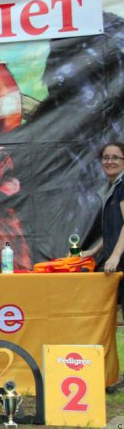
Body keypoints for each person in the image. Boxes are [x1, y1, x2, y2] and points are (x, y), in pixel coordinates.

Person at [83, 142, 124, 393]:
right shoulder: (114, 187)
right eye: (105, 157)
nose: (109, 161)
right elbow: (114, 227)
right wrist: (95, 251)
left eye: (116, 157)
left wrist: (116, 255)